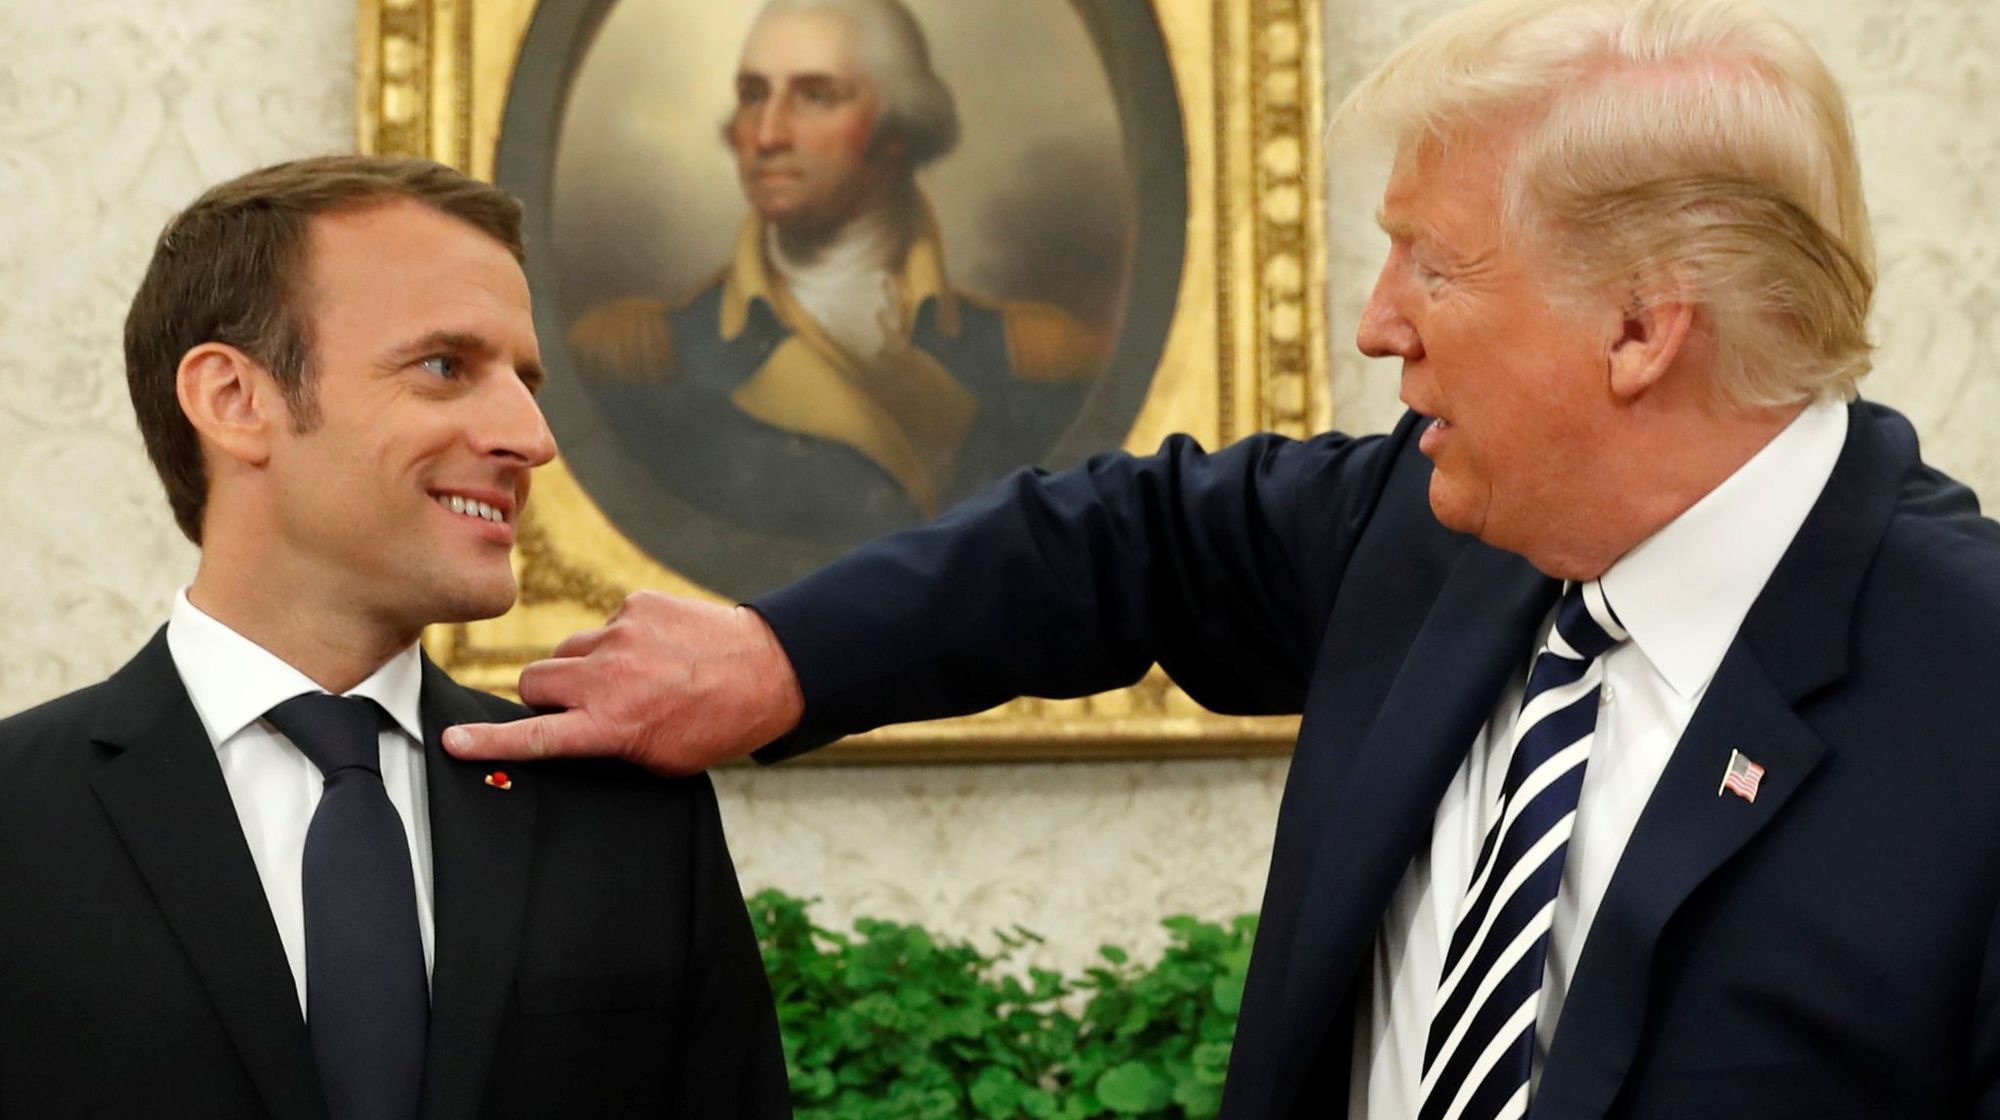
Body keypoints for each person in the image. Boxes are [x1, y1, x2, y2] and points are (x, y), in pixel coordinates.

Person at [448, 0, 2000, 1116]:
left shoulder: (1973, 691)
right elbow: (1119, 544)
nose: (1378, 323)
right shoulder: (1429, 529)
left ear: (1643, 328)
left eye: (1433, 265)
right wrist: (781, 659)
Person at [0, 156, 791, 1118]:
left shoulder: (632, 822)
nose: (533, 438)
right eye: (445, 366)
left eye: (525, 380)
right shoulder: (18, 817)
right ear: (234, 400)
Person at [567, 0, 1106, 551]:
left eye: (816, 96)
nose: (767, 135)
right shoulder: (643, 361)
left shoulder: (1034, 363)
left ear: (896, 130)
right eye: (753, 94)